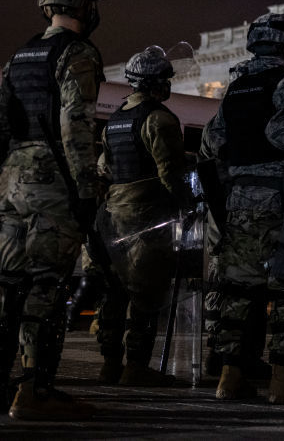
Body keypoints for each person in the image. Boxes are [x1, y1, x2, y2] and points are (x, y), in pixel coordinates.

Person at [200, 12, 284, 405]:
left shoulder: (236, 88)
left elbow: (213, 144)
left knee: (239, 290)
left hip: (239, 200)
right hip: (279, 201)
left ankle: (230, 375)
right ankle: (281, 379)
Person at [0, 0, 104, 419]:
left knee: (8, 285)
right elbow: (75, 124)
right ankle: (35, 391)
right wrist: (85, 188)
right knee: (46, 285)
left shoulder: (19, 56)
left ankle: (7, 385)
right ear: (83, 4)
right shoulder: (77, 53)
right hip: (52, 179)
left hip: (12, 179)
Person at [94, 46, 188, 386]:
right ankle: (135, 366)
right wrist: (188, 203)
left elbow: (104, 169)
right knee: (146, 294)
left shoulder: (115, 120)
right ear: (156, 83)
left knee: (114, 294)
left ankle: (109, 365)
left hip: (111, 217)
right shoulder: (159, 118)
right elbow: (171, 174)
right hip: (146, 218)